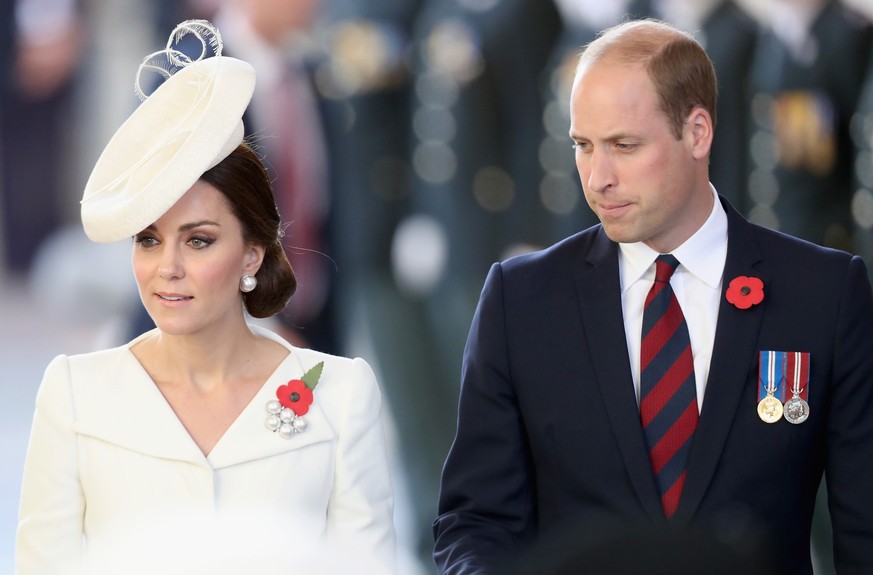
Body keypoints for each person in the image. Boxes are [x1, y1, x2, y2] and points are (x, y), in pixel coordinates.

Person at [433, 18, 873, 575]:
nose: (597, 178)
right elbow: (476, 524)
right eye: (583, 146)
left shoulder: (823, 294)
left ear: (697, 133)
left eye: (624, 145)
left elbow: (863, 531)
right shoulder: (520, 301)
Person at [15, 20, 395, 575]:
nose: (167, 268)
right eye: (148, 240)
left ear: (253, 254)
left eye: (198, 240)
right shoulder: (75, 394)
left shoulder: (340, 395)